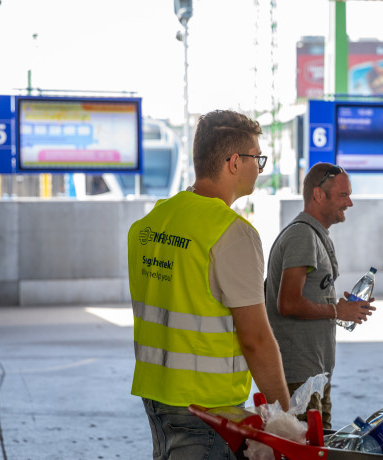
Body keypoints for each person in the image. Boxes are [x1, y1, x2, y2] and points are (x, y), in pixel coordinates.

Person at [128, 110, 290, 460]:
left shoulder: (150, 224)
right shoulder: (233, 234)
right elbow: (256, 339)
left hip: (156, 396)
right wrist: (284, 416)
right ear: (234, 162)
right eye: (256, 158)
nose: (259, 168)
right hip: (208, 407)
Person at [265, 163, 375, 429]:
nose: (349, 203)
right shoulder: (302, 235)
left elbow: (304, 296)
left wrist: (336, 306)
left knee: (319, 446)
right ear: (318, 195)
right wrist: (337, 312)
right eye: (342, 195)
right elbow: (288, 303)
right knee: (302, 451)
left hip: (313, 376)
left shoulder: (313, 234)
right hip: (298, 378)